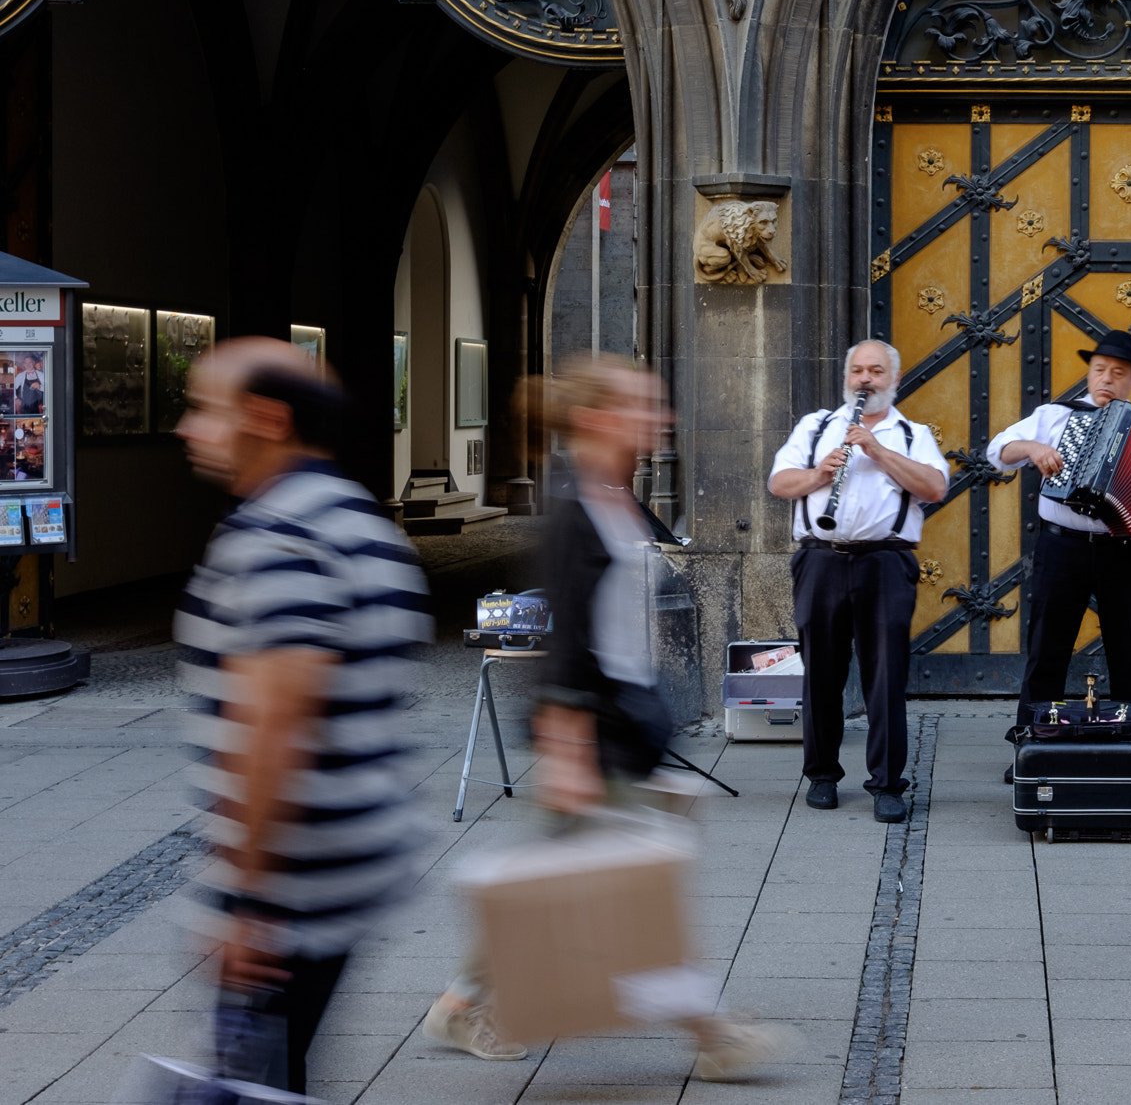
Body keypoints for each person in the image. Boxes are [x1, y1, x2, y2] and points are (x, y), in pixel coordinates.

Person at [428, 357, 789, 1081]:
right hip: (594, 736)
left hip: (626, 728)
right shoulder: (573, 515)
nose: (661, 417)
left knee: (565, 876)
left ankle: (461, 1001)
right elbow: (565, 645)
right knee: (637, 889)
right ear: (595, 419)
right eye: (640, 405)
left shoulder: (613, 498)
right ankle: (712, 1035)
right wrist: (566, 750)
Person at [174, 338, 429, 1096]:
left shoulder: (277, 537)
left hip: (293, 883)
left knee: (249, 1083)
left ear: (266, 416)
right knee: (273, 1076)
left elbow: (272, 726)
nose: (188, 429)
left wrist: (247, 903)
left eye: (202, 409)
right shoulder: (362, 523)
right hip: (349, 866)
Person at [986, 329, 1131, 742]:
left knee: (1126, 649)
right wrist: (1033, 448)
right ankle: (1031, 737)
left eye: (1117, 372)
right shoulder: (1054, 416)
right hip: (1060, 546)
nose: (1106, 378)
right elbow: (997, 451)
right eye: (1099, 370)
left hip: (1122, 552)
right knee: (1047, 648)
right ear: (1089, 374)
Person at [768, 340, 949, 823]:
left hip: (885, 563)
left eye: (875, 371)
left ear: (894, 377)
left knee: (885, 675)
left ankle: (888, 784)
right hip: (821, 561)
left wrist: (876, 449)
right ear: (847, 376)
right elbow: (779, 484)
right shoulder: (815, 427)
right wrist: (818, 475)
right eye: (857, 370)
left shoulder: (911, 433)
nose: (864, 379)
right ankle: (822, 774)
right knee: (821, 674)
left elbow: (934, 487)